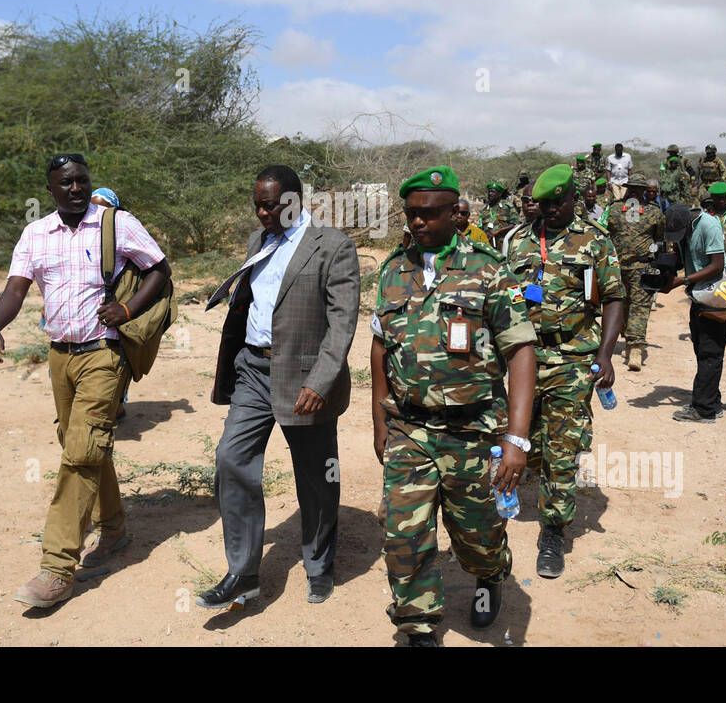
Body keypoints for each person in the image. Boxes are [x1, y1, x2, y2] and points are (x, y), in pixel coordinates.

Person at [0, 153, 172, 609]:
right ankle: (116, 529)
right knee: (81, 443)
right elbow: (16, 288)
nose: (75, 189)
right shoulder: (36, 233)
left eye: (82, 181)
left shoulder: (115, 223)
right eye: (65, 183)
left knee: (82, 451)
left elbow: (159, 271)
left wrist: (126, 310)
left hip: (104, 354)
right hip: (59, 357)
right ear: (50, 189)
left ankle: (57, 566)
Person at [371, 166, 536, 646]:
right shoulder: (392, 270)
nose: (418, 223)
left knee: (477, 536)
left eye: (429, 214)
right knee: (404, 536)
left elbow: (520, 350)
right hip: (409, 428)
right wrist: (378, 419)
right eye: (411, 214)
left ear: (454, 214)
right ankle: (418, 626)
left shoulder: (488, 268)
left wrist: (516, 439)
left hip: (475, 431)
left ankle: (489, 576)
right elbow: (380, 348)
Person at [199, 165, 360, 608]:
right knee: (232, 458)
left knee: (315, 477)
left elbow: (343, 323)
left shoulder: (333, 246)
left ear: (294, 199)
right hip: (254, 370)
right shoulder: (259, 243)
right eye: (258, 205)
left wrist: (321, 381)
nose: (263, 213)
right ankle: (243, 572)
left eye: (271, 204)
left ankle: (319, 564)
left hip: (305, 380)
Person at [503, 165, 624, 579]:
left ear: (574, 198)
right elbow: (503, 297)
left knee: (562, 443)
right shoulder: (517, 240)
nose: (551, 210)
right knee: (524, 436)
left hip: (573, 356)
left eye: (559, 203)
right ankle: (516, 496)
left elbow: (613, 297)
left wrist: (606, 354)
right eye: (545, 204)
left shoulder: (595, 240)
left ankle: (552, 529)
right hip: (524, 358)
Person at [661, 202, 726, 424]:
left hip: (716, 294)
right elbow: (682, 259)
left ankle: (703, 410)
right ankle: (712, 402)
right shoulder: (685, 228)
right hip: (698, 295)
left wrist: (683, 280)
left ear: (689, 219)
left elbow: (717, 265)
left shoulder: (710, 226)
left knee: (710, 352)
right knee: (702, 348)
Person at [606, 172, 665, 372]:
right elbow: (603, 234)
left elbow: (659, 237)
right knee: (621, 305)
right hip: (617, 268)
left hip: (642, 267)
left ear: (643, 191)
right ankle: (627, 336)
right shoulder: (613, 209)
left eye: (637, 189)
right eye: (630, 187)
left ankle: (636, 347)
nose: (633, 191)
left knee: (640, 306)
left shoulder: (654, 212)